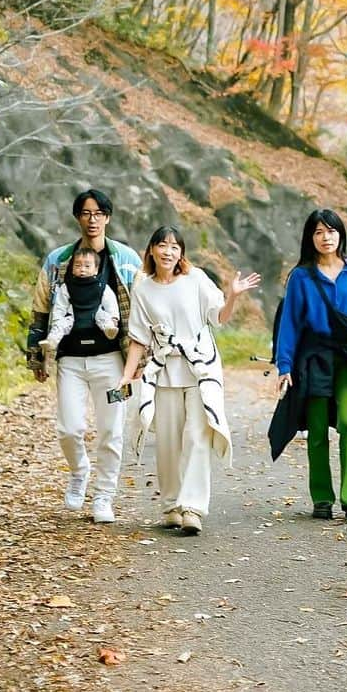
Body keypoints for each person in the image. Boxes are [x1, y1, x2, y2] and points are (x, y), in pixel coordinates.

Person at [119, 226, 260, 535]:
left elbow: (218, 317)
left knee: (197, 437)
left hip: (200, 370)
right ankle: (171, 505)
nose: (168, 252)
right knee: (168, 442)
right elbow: (139, 339)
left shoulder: (195, 280)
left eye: (174, 247)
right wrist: (127, 375)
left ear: (181, 253)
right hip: (164, 372)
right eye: (162, 245)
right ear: (152, 251)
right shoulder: (142, 289)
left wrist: (232, 295)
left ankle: (193, 508)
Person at [268, 209, 347, 522]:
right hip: (312, 358)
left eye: (332, 231)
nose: (326, 238)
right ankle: (322, 497)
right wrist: (284, 366)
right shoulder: (301, 276)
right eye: (319, 232)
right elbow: (290, 325)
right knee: (316, 429)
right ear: (310, 238)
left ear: (341, 235)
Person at [26, 189, 142, 524]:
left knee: (112, 430)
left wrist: (139, 360)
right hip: (71, 362)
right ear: (78, 217)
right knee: (69, 428)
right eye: (86, 213)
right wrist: (37, 356)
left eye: (98, 213)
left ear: (108, 217)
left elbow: (142, 309)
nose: (92, 220)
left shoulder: (126, 260)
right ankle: (79, 471)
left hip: (113, 362)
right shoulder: (58, 261)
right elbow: (40, 309)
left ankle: (104, 496)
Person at [40, 247, 120, 364]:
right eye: (78, 266)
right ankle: (52, 340)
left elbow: (111, 303)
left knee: (103, 316)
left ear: (96, 269)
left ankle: (109, 329)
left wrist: (114, 318)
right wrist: (57, 321)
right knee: (62, 324)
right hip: (73, 314)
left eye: (87, 266)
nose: (82, 269)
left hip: (95, 312)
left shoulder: (101, 286)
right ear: (72, 268)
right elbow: (59, 307)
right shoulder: (67, 287)